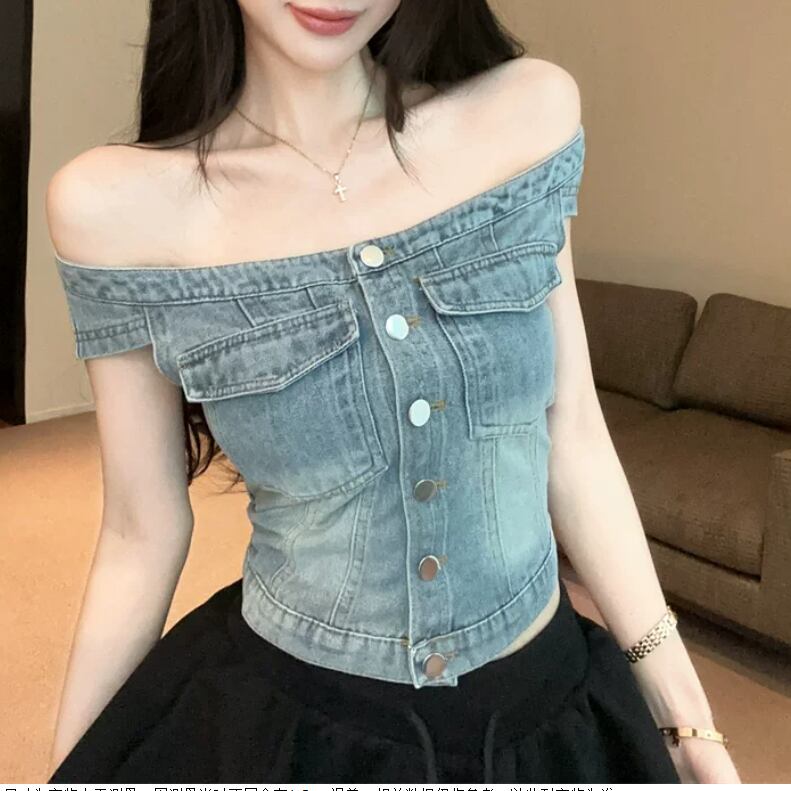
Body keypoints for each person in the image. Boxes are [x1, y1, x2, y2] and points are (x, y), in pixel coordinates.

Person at [44, 0, 740, 783]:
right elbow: (140, 531)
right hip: (294, 726)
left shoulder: (525, 115)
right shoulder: (117, 209)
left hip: (552, 707)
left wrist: (687, 716)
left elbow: (572, 434)